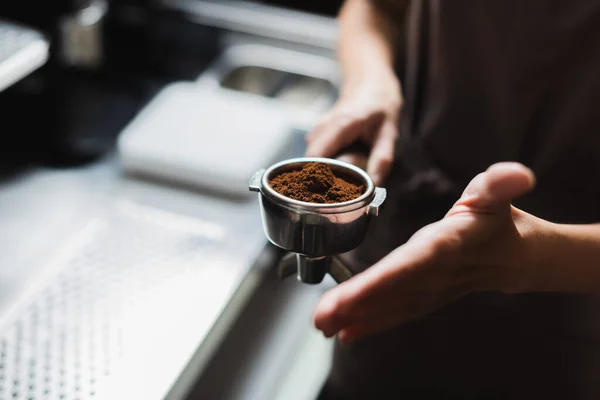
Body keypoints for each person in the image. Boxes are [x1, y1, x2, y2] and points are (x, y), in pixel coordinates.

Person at [307, 0, 600, 398]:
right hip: (398, 245)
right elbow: (376, 8)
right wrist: (369, 85)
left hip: (561, 328)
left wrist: (532, 256)